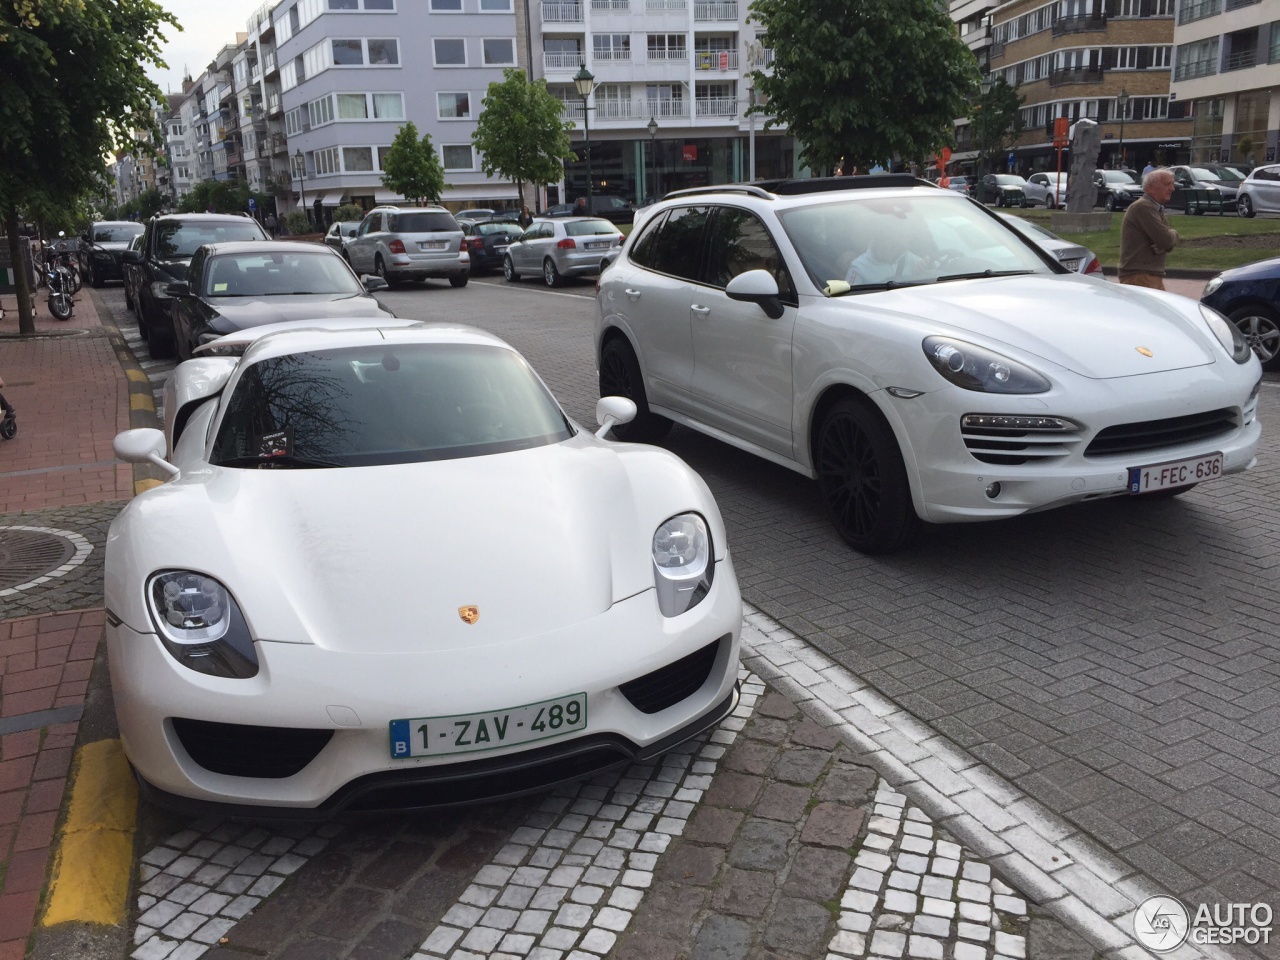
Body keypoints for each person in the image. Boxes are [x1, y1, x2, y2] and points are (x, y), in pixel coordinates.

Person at [1118, 168, 1179, 290]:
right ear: (1151, 187)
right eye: (1167, 184)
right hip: (1140, 277)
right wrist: (1174, 234)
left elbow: (1165, 242)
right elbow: (1166, 240)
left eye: (1173, 184)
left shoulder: (1153, 207)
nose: (1172, 188)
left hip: (1147, 275)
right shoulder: (1143, 207)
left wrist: (1165, 240)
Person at [844, 218, 926, 286]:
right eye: (887, 239)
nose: (891, 247)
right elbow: (849, 298)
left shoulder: (907, 257)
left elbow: (930, 271)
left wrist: (925, 266)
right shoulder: (858, 268)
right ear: (878, 240)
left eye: (895, 241)